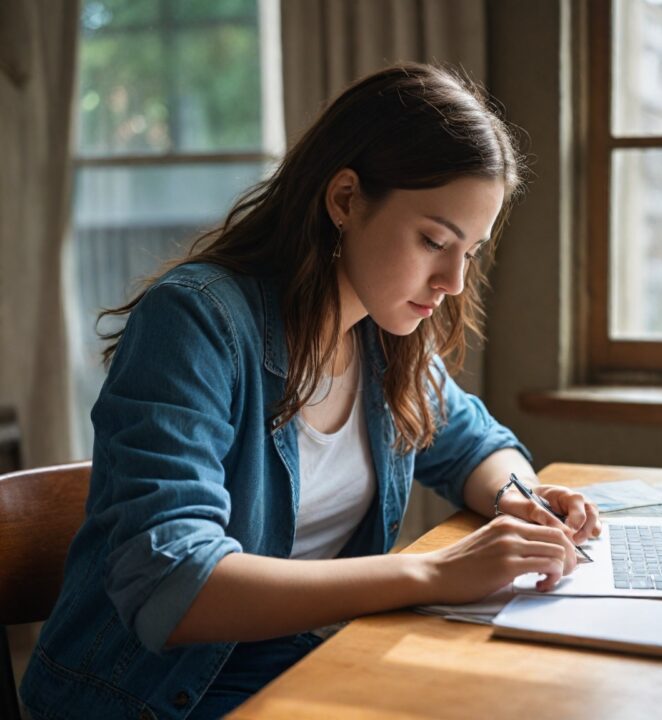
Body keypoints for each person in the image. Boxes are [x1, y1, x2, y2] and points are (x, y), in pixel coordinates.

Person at [20, 63, 600, 719]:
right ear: (345, 199)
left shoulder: (386, 335)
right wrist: (435, 573)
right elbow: (172, 581)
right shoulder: (195, 322)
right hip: (144, 694)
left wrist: (518, 498)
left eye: (470, 252)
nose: (453, 282)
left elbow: (473, 442)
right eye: (434, 240)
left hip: (287, 656)